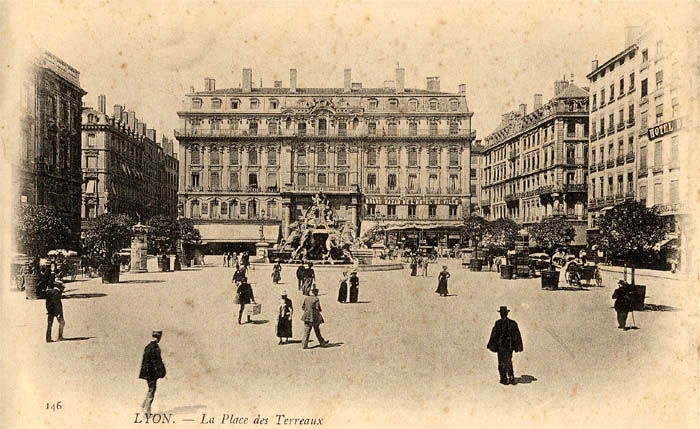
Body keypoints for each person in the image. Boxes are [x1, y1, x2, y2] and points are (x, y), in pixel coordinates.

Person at [487, 306, 524, 385]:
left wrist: (492, 344)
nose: (502, 314)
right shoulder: (508, 323)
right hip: (505, 346)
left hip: (504, 346)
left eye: (502, 313)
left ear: (504, 314)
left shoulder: (502, 323)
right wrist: (518, 345)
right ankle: (508, 377)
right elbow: (516, 335)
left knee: (503, 362)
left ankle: (505, 378)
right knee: (506, 362)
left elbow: (494, 334)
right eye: (502, 313)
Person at [139, 330, 166, 415]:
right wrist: (161, 372)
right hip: (152, 374)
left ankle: (143, 406)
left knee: (150, 389)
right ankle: (146, 412)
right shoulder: (155, 348)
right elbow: (157, 362)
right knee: (152, 390)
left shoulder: (147, 347)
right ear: (159, 338)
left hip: (147, 373)